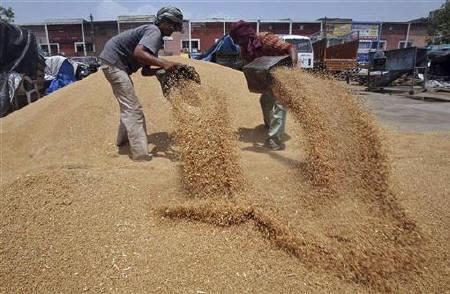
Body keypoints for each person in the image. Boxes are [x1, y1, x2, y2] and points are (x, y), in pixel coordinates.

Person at [99, 7, 184, 161]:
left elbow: (145, 71)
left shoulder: (155, 42)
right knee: (133, 109)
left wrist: (161, 70)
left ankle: (122, 141)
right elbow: (138, 53)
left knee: (128, 105)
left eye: (177, 26)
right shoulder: (154, 31)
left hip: (117, 65)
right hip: (114, 64)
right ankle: (140, 155)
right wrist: (165, 63)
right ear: (163, 22)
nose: (174, 29)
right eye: (172, 25)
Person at [229, 20, 298, 151]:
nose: (237, 43)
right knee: (265, 100)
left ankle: (275, 140)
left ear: (245, 35)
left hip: (285, 74)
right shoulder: (245, 51)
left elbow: (291, 48)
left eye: (238, 40)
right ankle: (270, 125)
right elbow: (252, 67)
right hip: (270, 78)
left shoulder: (265, 39)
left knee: (280, 104)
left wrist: (293, 71)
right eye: (235, 41)